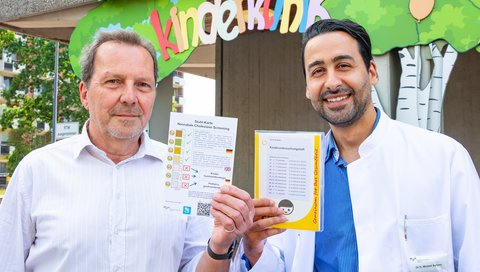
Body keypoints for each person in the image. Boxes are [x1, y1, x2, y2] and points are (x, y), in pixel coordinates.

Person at [233, 19, 480, 271]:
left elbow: (474, 256)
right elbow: (285, 262)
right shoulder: (295, 171)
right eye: (318, 71)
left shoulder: (443, 158)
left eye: (343, 65)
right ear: (308, 88)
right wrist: (254, 248)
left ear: (372, 72)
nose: (331, 82)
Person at [0, 30, 254, 271]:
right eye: (114, 82)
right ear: (85, 93)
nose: (130, 97)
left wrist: (220, 245)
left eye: (143, 84)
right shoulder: (37, 171)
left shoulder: (184, 174)